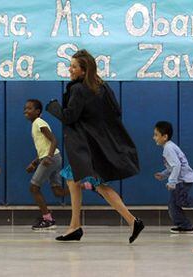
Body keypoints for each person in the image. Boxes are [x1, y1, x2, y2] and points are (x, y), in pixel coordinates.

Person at [46, 49, 144, 243]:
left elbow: (70, 116)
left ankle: (133, 221)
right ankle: (74, 226)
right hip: (97, 144)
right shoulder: (102, 86)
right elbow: (116, 111)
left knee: (99, 186)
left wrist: (54, 107)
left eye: (74, 66)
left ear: (83, 71)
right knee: (72, 179)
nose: (70, 69)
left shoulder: (78, 89)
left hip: (86, 148)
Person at [153, 121, 193, 234]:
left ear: (165, 136)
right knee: (173, 205)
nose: (154, 137)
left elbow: (176, 165)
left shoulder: (168, 148)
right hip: (182, 179)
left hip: (183, 180)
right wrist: (163, 174)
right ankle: (185, 226)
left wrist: (171, 181)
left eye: (156, 135)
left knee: (182, 202)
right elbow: (173, 166)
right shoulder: (169, 146)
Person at [24, 99, 68, 230]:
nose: (26, 111)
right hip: (54, 157)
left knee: (34, 188)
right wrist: (34, 162)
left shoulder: (38, 123)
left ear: (38, 111)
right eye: (25, 109)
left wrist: (48, 157)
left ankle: (47, 219)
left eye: (29, 108)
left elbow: (54, 140)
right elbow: (43, 148)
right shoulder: (36, 124)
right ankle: (85, 186)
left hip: (51, 158)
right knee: (58, 191)